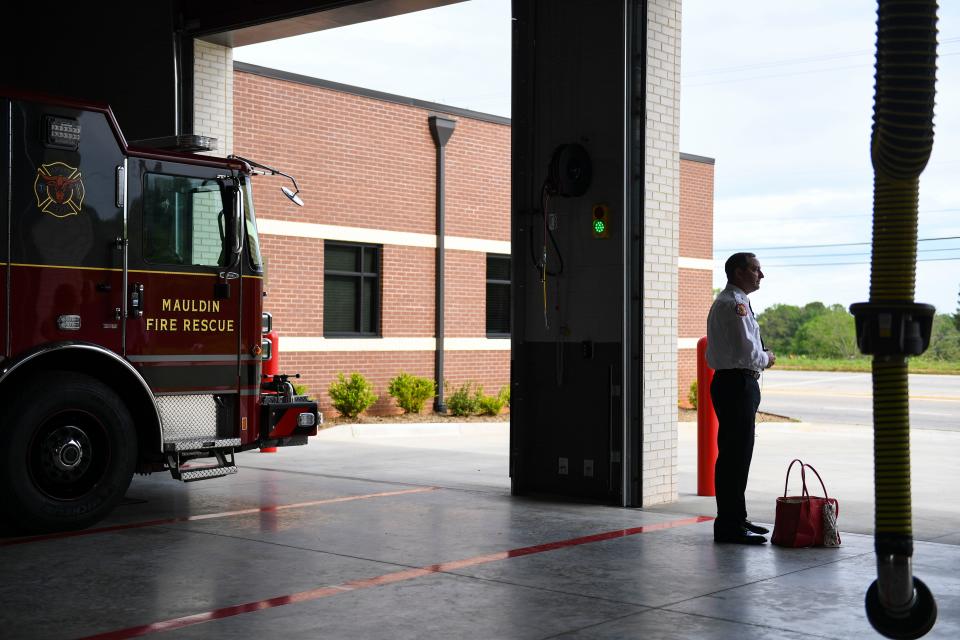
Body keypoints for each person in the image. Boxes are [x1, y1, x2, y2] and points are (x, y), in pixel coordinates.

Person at [706, 252, 776, 545]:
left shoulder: (737, 302)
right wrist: (768, 358)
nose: (761, 275)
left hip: (736, 383)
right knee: (735, 456)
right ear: (738, 272)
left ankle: (736, 517)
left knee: (738, 454)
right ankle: (729, 525)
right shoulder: (734, 304)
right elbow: (748, 353)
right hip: (737, 384)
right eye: (755, 269)